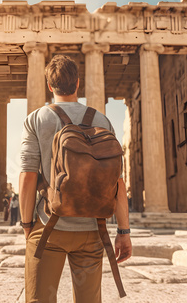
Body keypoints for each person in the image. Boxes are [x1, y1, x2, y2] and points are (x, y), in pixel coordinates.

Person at [19, 54, 132, 303]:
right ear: (78, 84)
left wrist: (27, 225)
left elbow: (28, 176)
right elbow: (117, 182)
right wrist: (123, 231)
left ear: (50, 86)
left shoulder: (37, 119)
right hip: (93, 229)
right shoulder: (102, 121)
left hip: (49, 227)